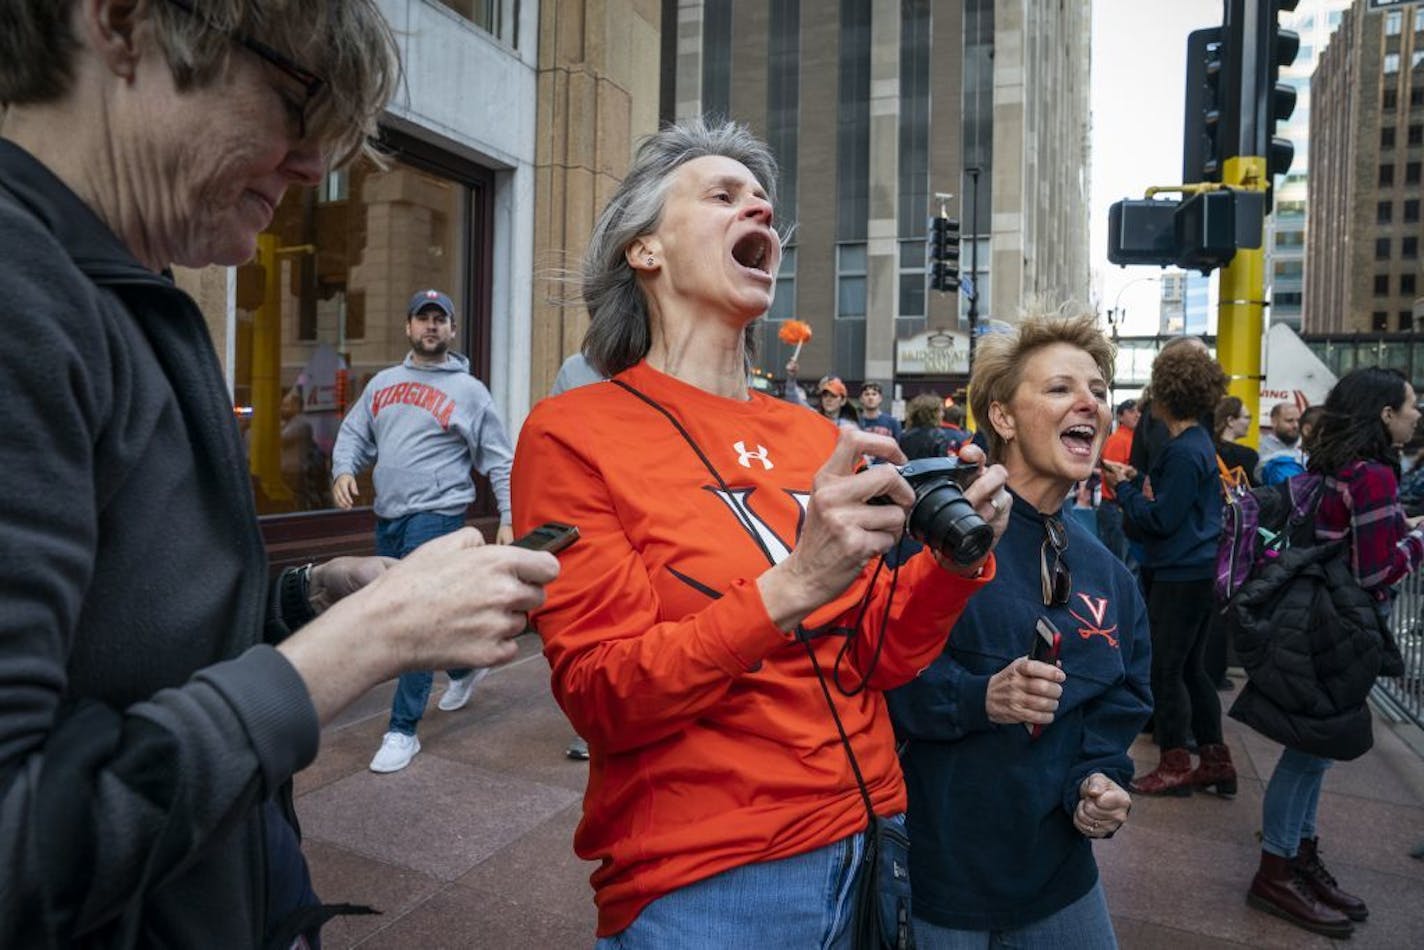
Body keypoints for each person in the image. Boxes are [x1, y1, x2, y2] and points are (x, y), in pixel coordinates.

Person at [0, 3, 560, 947]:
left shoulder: (120, 289)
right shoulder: (24, 296)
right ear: (124, 24)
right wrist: (365, 640)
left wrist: (305, 595)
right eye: (298, 98)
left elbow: (125, 630)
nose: (313, 165)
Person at [510, 117, 1012, 947]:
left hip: (873, 843)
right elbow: (604, 696)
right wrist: (793, 586)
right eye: (723, 194)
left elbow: (876, 656)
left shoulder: (816, 437)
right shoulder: (573, 432)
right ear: (646, 250)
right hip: (713, 881)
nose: (761, 210)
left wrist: (957, 565)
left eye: (765, 202)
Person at [889, 314, 1150, 948]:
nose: (1090, 402)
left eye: (1098, 390)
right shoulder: (928, 533)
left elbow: (1118, 708)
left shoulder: (1111, 576)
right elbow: (871, 675)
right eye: (1060, 388)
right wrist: (981, 698)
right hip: (938, 885)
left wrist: (1101, 782)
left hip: (1061, 883)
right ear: (1003, 417)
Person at [1236, 367, 1424, 938]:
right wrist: (1417, 542)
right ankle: (1277, 868)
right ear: (1385, 415)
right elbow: (1375, 571)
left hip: (1315, 619)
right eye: (1410, 405)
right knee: (1309, 753)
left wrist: (1399, 527)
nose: (1417, 414)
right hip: (1342, 625)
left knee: (1313, 748)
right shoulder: (1372, 475)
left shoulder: (1339, 465)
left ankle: (1296, 861)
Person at [332, 288, 517, 773]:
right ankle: (462, 664)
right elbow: (354, 434)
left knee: (412, 617)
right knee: (408, 611)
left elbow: (500, 460)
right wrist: (343, 469)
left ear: (452, 330)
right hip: (389, 517)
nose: (431, 326)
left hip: (437, 517)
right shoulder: (383, 384)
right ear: (408, 327)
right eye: (423, 318)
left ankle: (402, 730)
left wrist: (509, 516)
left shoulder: (470, 391)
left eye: (441, 319)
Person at [1102, 343, 1231, 796]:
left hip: (1178, 573)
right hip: (1195, 570)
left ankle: (1175, 762)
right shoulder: (1198, 444)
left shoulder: (1181, 450)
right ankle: (1215, 759)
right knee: (1193, 669)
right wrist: (1138, 483)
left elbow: (1162, 519)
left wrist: (1125, 490)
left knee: (1166, 669)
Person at [547, 351, 608, 761]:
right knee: (592, 618)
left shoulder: (660, 356)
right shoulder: (576, 369)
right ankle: (592, 725)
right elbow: (551, 434)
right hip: (587, 511)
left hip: (645, 503)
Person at [1096, 398, 1139, 564]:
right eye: (1131, 411)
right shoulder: (1118, 440)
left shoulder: (1131, 439)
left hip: (1122, 506)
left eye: (1137, 411)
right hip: (1117, 508)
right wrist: (1124, 501)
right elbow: (1110, 475)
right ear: (1120, 416)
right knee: (1120, 563)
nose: (1137, 414)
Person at [1214, 395, 1259, 489]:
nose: (1249, 422)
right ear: (1230, 421)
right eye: (1247, 417)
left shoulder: (1206, 449)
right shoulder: (1247, 455)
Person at [1256, 401, 1305, 481]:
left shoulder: (1305, 446)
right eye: (1289, 421)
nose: (1296, 425)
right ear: (1274, 422)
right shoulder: (1260, 448)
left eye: (1298, 421)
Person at [899, 392, 953, 460]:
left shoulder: (904, 436)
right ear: (933, 413)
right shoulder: (939, 436)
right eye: (941, 411)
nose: (943, 414)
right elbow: (942, 463)